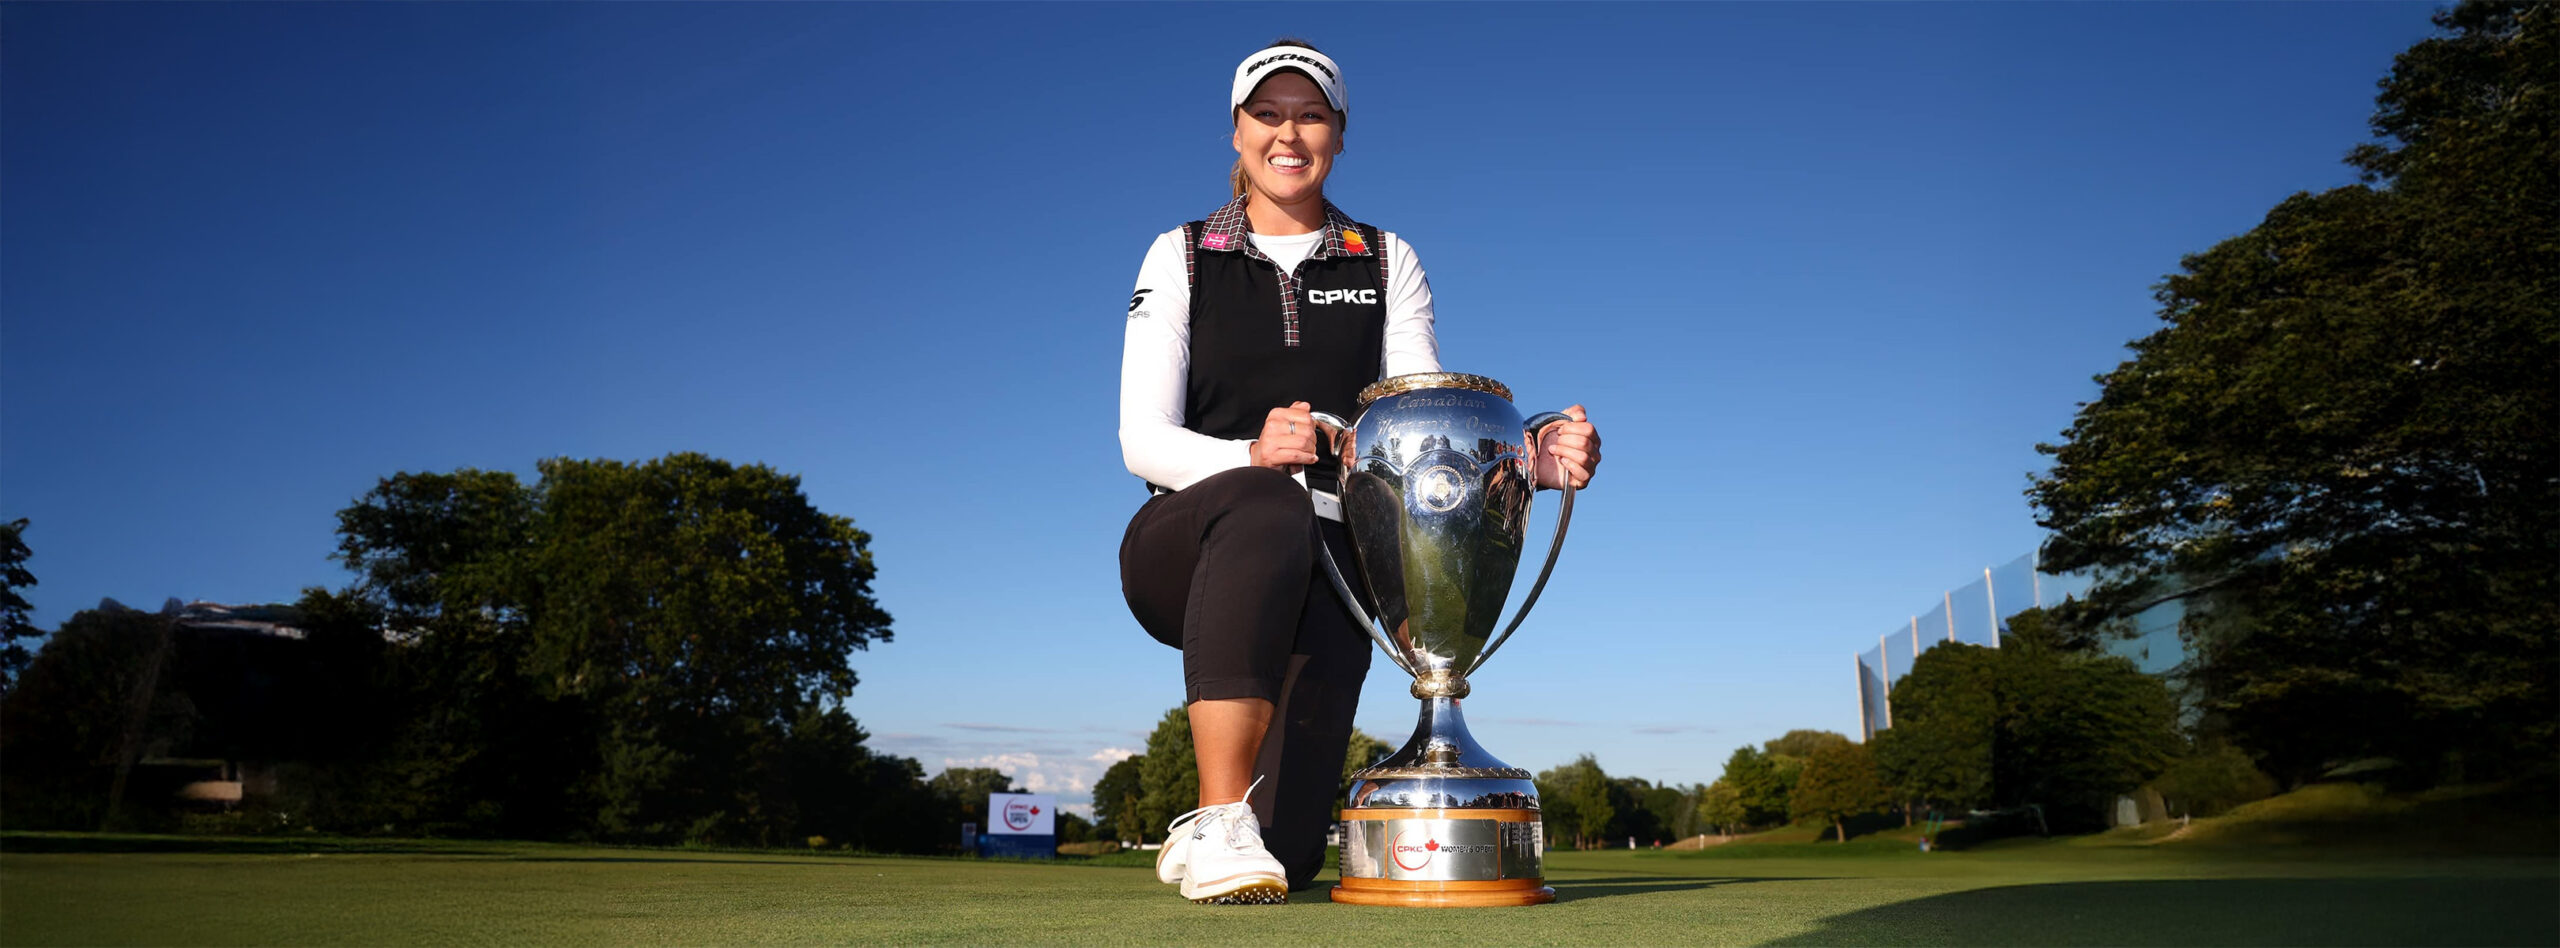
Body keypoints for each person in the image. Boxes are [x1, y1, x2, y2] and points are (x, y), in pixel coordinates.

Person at [1117, 39, 1601, 905]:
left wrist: (1529, 465)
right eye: (1268, 113)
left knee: (1294, 854)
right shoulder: (1180, 253)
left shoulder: (1387, 258)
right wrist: (1250, 456)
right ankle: (1217, 813)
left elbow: (1419, 432)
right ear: (1236, 131)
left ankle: (1238, 834)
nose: (1288, 132)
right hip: (1184, 546)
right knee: (1267, 502)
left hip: (1334, 571)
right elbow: (1140, 439)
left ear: (1339, 133)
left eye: (1310, 114)